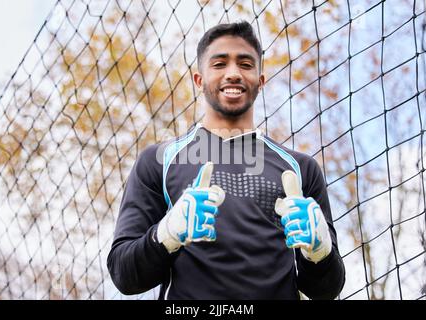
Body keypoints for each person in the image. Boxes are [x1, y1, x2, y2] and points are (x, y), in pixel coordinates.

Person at [107, 20, 345, 300]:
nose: (233, 73)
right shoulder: (158, 161)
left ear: (261, 81)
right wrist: (167, 234)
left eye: (245, 64)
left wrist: (319, 253)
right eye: (219, 64)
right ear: (199, 80)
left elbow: (326, 289)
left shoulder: (301, 169)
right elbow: (124, 274)